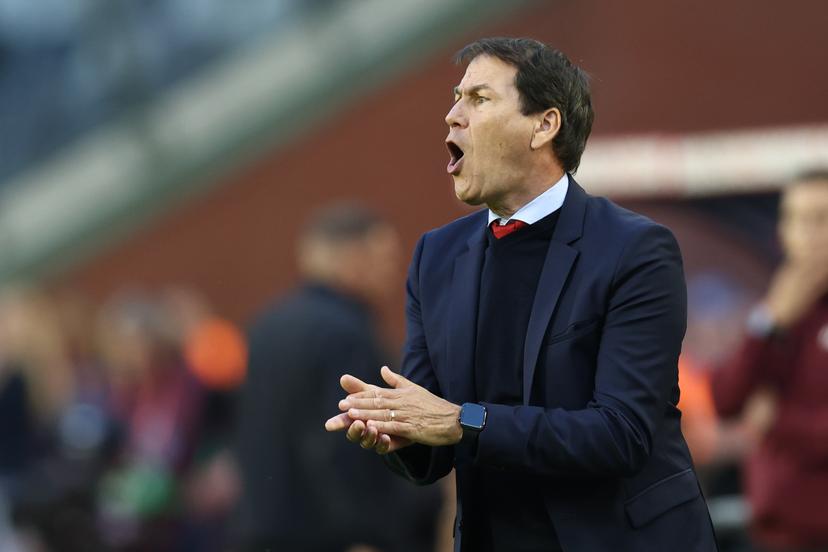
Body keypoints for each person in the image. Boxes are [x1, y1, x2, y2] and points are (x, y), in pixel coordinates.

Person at [325, 37, 718, 552]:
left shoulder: (635, 249)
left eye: (479, 99)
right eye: (455, 97)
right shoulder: (435, 257)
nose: (452, 116)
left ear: (543, 125)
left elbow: (621, 433)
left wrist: (461, 421)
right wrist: (397, 433)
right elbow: (434, 444)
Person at [236, 203, 440, 552]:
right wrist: (362, 535)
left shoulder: (266, 325)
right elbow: (345, 442)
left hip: (269, 529)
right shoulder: (344, 331)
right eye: (383, 257)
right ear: (351, 257)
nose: (393, 271)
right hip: (335, 536)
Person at [712, 170, 828, 552]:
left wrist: (777, 421)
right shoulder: (776, 310)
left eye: (820, 219)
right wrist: (769, 323)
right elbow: (726, 399)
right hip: (777, 534)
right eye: (794, 218)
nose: (806, 234)